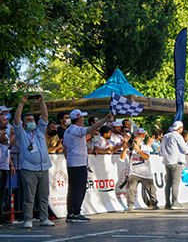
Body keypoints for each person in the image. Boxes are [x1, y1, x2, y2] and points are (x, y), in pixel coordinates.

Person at [63, 109, 113, 222]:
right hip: (79, 162)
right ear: (79, 118)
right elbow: (92, 128)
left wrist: (68, 159)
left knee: (72, 188)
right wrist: (105, 119)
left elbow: (65, 148)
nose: (83, 119)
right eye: (82, 118)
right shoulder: (77, 129)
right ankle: (76, 212)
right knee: (79, 189)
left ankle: (70, 213)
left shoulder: (68, 130)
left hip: (71, 162)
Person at [13, 94, 55, 228]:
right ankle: (28, 219)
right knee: (29, 196)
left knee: (44, 196)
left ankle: (44, 218)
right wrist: (21, 103)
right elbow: (16, 119)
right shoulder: (21, 133)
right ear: (24, 124)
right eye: (28, 120)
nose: (32, 121)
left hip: (43, 167)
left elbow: (45, 116)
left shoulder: (40, 131)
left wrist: (42, 102)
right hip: (29, 168)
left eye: (32, 119)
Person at [160, 121, 188, 210]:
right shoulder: (178, 136)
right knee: (175, 183)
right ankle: (174, 202)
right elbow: (185, 149)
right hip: (176, 161)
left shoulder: (166, 136)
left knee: (168, 183)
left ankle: (167, 203)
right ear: (180, 128)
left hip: (167, 161)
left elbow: (161, 150)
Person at [120, 128, 159, 211]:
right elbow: (122, 157)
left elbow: (146, 157)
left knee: (151, 190)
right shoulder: (130, 149)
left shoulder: (145, 147)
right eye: (134, 141)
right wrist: (125, 148)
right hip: (134, 173)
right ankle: (130, 205)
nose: (134, 143)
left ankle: (154, 203)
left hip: (146, 173)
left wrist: (138, 149)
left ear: (140, 141)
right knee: (130, 188)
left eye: (136, 141)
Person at [0, 112, 16, 228]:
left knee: (2, 193)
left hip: (4, 166)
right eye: (4, 120)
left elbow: (8, 149)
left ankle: (1, 217)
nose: (7, 122)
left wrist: (11, 165)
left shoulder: (5, 135)